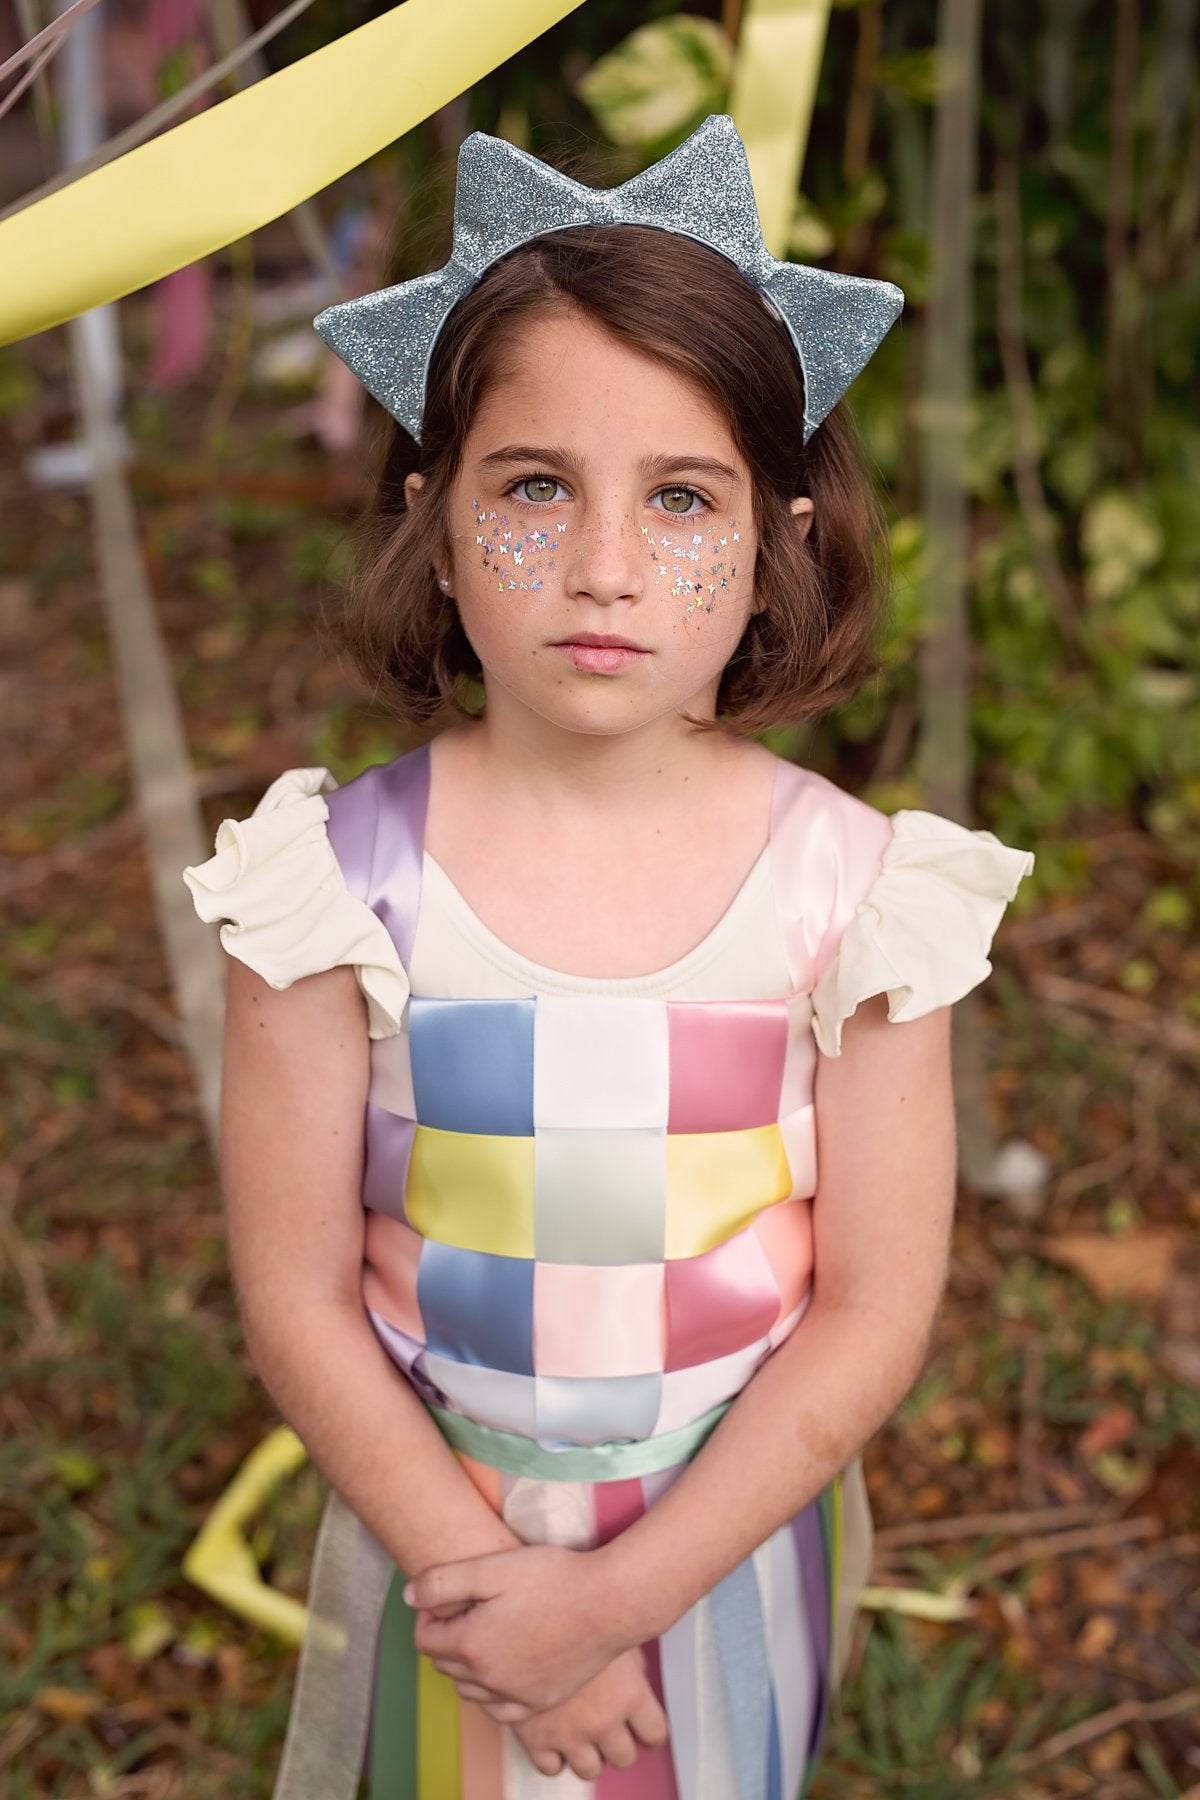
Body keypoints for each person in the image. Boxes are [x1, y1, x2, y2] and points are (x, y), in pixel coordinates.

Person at [185, 116, 1033, 1800]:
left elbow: (873, 1309)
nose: (605, 567)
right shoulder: (328, 891)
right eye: (535, 487)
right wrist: (487, 1594)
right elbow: (295, 1292)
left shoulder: (856, 899)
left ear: (780, 537)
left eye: (683, 498)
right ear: (434, 521)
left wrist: (615, 1607)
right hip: (447, 1560)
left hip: (720, 1557)